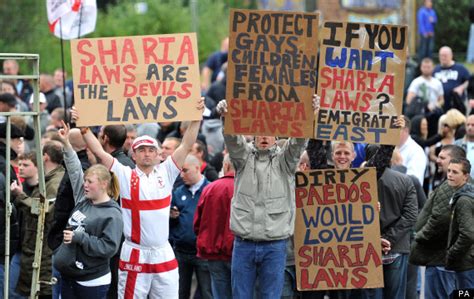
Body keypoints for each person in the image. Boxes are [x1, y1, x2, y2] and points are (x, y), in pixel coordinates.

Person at [78, 98, 204, 298]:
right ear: (133, 155)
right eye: (141, 150)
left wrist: (196, 118)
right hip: (135, 254)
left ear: (159, 155)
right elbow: (99, 152)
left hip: (163, 252)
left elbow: (187, 144)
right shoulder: (124, 174)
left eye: (151, 150)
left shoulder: (167, 171)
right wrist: (84, 129)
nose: (147, 154)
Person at [215, 97, 317, 299]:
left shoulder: (285, 161)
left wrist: (310, 114)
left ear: (276, 135)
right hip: (243, 244)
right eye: (260, 131)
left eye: (269, 132)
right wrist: (226, 118)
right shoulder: (243, 157)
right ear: (253, 135)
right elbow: (232, 140)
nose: (264, 136)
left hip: (275, 246)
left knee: (271, 296)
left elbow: (298, 142)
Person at [53, 121, 123, 298]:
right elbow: (75, 170)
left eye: (89, 182)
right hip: (70, 275)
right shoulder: (84, 200)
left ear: (103, 184)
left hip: (91, 281)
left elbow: (108, 248)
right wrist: (67, 144)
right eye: (85, 181)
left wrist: (80, 237)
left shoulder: (112, 214)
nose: (84, 185)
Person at [409, 144, 467, 299]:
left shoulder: (451, 186)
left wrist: (418, 236)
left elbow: (439, 219)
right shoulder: (462, 183)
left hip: (440, 260)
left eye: (442, 158)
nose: (438, 161)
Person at [10, 141, 65, 297]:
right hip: (37, 248)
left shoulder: (54, 183)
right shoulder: (49, 179)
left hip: (45, 250)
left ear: (45, 157)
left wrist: (20, 196)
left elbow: (44, 211)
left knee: (42, 290)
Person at [193, 154, 235, 299]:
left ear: (226, 166)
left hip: (214, 252)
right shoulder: (248, 188)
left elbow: (197, 223)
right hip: (239, 251)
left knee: (219, 293)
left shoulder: (210, 188)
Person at [169, 155, 211, 299]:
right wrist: (172, 217)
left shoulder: (210, 190)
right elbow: (171, 222)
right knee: (180, 292)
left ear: (197, 168)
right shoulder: (179, 192)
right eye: (181, 171)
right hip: (181, 251)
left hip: (203, 253)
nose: (182, 174)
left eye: (185, 170)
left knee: (207, 292)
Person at [445, 158, 474, 289]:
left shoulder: (463, 200)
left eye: (455, 172)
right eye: (449, 170)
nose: (450, 175)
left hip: (466, 263)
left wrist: (452, 253)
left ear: (466, 176)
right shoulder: (465, 194)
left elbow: (468, 234)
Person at [433, 46, 470, 113]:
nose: (443, 58)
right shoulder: (436, 69)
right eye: (441, 55)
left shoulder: (460, 68)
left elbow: (470, 81)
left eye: (445, 55)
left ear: (451, 55)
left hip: (456, 104)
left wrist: (461, 87)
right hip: (439, 104)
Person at [398, 116, 428, 185]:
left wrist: (398, 167)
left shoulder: (416, 151)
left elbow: (414, 183)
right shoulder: (387, 147)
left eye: (396, 128)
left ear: (406, 130)